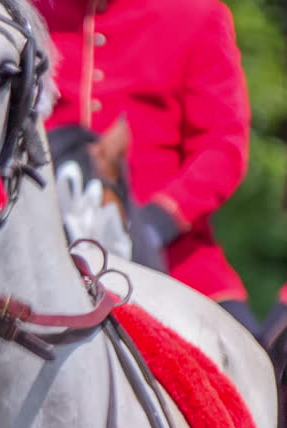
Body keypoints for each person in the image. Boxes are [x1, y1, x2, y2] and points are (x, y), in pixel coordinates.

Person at [34, 0, 259, 336]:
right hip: (41, 249)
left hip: (174, 258)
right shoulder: (31, 13)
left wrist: (157, 221)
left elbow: (222, 146)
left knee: (258, 375)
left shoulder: (196, 14)